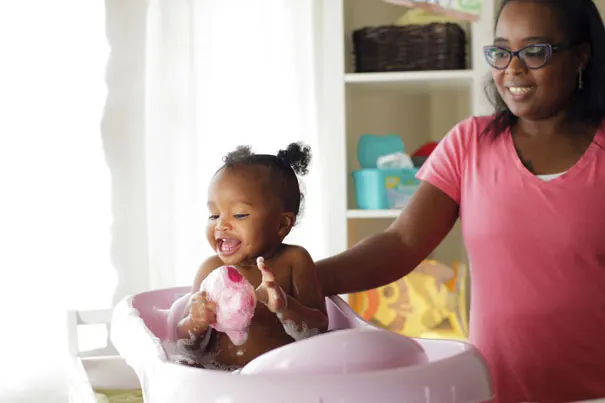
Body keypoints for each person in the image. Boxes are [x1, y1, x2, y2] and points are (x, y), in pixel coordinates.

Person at [314, 0, 605, 402]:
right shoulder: (470, 144)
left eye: (535, 51)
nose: (513, 69)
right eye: (502, 52)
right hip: (490, 391)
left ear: (582, 57)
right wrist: (304, 279)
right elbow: (401, 244)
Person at [173, 143, 328, 370]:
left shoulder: (295, 261)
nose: (222, 225)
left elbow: (319, 330)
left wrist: (285, 307)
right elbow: (186, 345)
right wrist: (195, 322)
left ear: (282, 224)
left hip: (283, 378)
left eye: (239, 214)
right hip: (220, 377)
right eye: (214, 215)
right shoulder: (211, 270)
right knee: (183, 365)